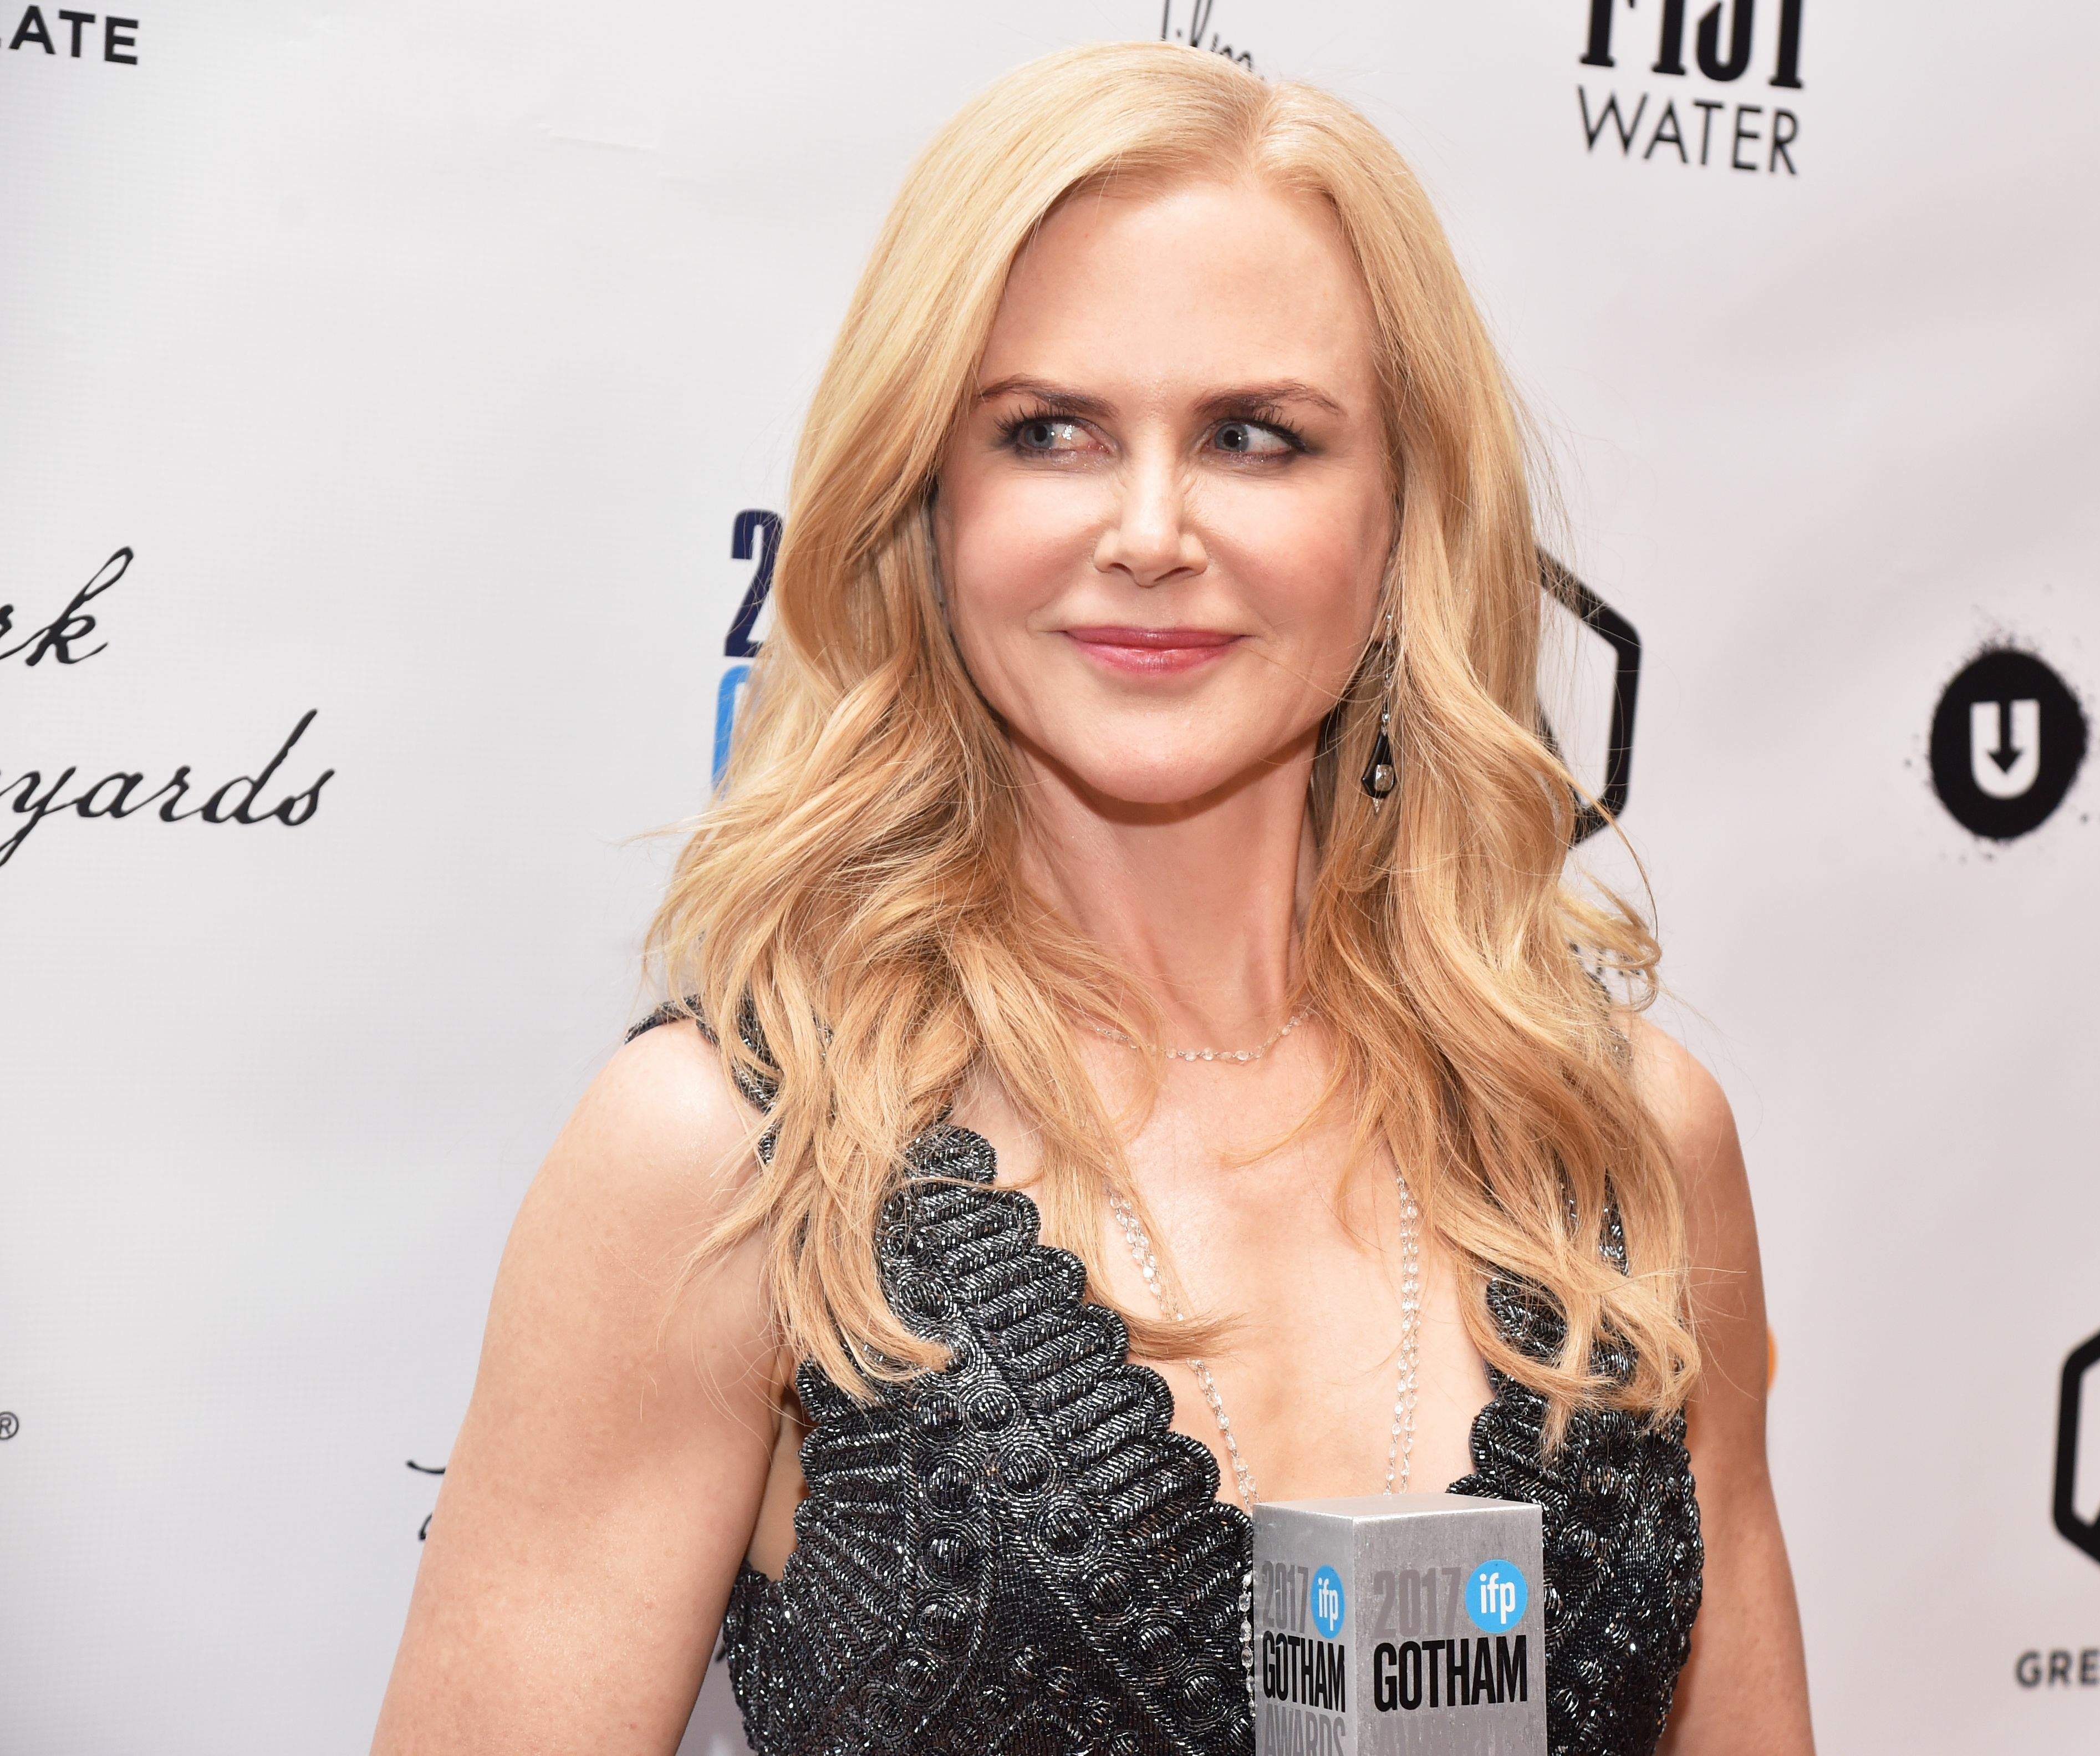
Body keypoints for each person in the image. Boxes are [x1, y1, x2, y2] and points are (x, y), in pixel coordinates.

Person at [372, 39, 1811, 1756]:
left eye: (1255, 439)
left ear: (1401, 526)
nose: (1147, 530)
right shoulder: (737, 1163)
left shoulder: (1625, 1147)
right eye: (1048, 432)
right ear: (930, 502)